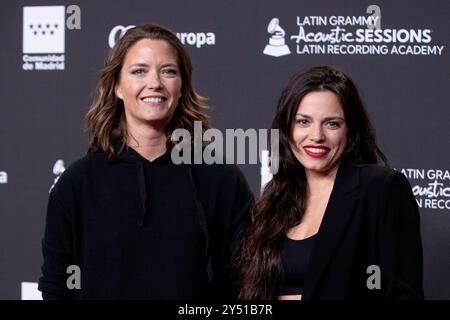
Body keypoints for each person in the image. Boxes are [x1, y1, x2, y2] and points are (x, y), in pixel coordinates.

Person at [38, 24, 253, 299]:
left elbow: (244, 285)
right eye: (139, 71)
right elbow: (57, 288)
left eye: (168, 71)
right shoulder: (77, 184)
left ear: (182, 86)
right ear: (116, 86)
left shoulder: (221, 180)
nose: (155, 83)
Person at [238, 66, 423, 300]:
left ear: (351, 133)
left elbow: (402, 294)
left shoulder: (381, 188)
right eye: (303, 122)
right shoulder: (275, 199)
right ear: (287, 130)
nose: (316, 136)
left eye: (332, 124)